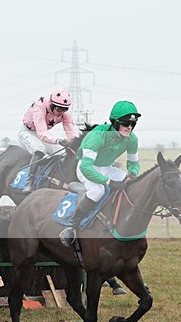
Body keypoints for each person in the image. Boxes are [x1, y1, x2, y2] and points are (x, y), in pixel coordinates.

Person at [59, 100, 141, 247]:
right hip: (86, 167)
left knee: (131, 184)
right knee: (98, 190)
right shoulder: (97, 136)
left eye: (132, 124)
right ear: (115, 122)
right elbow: (86, 167)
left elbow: (133, 164)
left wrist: (133, 174)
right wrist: (109, 182)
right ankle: (71, 226)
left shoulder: (132, 139)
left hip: (106, 167)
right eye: (125, 123)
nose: (129, 127)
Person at [18, 89, 79, 193]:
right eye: (59, 108)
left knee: (62, 152)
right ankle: (29, 181)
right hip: (28, 132)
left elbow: (71, 132)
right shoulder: (40, 106)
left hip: (44, 134)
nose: (61, 112)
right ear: (52, 104)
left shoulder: (64, 113)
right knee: (40, 149)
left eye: (65, 109)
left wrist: (73, 143)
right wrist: (58, 140)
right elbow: (42, 133)